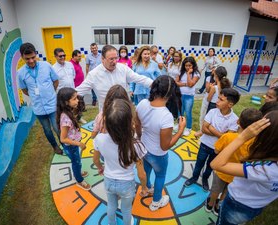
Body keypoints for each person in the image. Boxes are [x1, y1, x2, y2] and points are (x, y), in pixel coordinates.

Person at [211, 111, 278, 225]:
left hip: (237, 204)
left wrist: (242, 137)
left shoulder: (265, 169)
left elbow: (216, 164)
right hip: (255, 205)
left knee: (224, 221)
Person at [135, 75, 186, 211]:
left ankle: (147, 188)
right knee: (160, 176)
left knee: (146, 170)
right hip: (158, 154)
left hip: (144, 148)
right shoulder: (166, 116)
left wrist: (140, 138)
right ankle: (156, 201)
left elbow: (137, 123)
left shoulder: (142, 103)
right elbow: (165, 145)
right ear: (170, 93)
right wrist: (180, 130)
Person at [93, 99, 147, 225]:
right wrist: (144, 187)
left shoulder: (99, 139)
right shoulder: (136, 145)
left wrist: (100, 168)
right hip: (127, 184)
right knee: (126, 210)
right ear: (129, 122)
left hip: (109, 180)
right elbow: (142, 174)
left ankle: (112, 223)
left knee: (111, 206)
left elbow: (95, 160)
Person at [205, 108, 263, 216]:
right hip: (237, 174)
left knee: (215, 190)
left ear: (238, 122)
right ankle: (218, 206)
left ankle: (210, 204)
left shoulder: (227, 137)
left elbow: (216, 150)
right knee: (227, 191)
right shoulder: (255, 143)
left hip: (221, 172)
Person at [184, 88, 240, 191]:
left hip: (218, 149)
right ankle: (194, 177)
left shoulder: (234, 120)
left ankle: (205, 179)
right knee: (199, 163)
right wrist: (221, 134)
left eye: (221, 99)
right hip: (205, 145)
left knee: (210, 166)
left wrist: (211, 128)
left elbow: (227, 138)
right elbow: (204, 129)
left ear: (230, 104)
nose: (217, 101)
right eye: (218, 98)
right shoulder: (212, 111)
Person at [76, 45, 153, 111]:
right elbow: (79, 91)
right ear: (102, 59)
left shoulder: (123, 69)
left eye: (116, 58)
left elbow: (139, 78)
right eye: (111, 59)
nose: (115, 61)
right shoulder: (93, 75)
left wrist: (154, 84)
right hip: (106, 114)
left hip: (124, 112)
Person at [17, 42, 63, 155]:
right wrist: (36, 95)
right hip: (38, 108)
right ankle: (55, 147)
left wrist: (49, 92)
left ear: (36, 54)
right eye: (27, 59)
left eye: (33, 57)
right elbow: (24, 90)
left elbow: (55, 81)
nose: (31, 61)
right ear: (22, 57)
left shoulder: (46, 65)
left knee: (57, 128)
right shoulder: (20, 73)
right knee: (47, 130)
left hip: (52, 104)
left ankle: (64, 144)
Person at [56, 87, 91, 190]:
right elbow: (63, 139)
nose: (78, 100)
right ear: (66, 102)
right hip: (71, 146)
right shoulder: (65, 119)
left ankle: (78, 173)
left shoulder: (69, 111)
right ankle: (79, 180)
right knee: (76, 162)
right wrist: (79, 144)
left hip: (73, 144)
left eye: (77, 97)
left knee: (77, 161)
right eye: (74, 99)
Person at [175, 56, 201, 136]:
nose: (188, 67)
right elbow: (176, 82)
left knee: (188, 112)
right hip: (180, 95)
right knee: (180, 111)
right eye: (186, 65)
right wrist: (185, 84)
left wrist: (189, 74)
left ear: (193, 65)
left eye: (190, 65)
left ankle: (188, 128)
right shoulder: (181, 72)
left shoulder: (196, 74)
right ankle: (180, 125)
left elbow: (190, 84)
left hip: (189, 96)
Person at [194, 68, 216, 138]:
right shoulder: (209, 78)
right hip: (207, 101)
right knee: (203, 116)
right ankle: (201, 130)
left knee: (210, 119)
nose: (213, 70)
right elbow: (207, 90)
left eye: (215, 69)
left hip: (214, 103)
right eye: (213, 69)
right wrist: (211, 87)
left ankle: (205, 133)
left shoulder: (221, 82)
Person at [70, 49, 87, 124]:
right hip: (75, 89)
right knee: (75, 105)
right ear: (74, 56)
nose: (80, 58)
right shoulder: (71, 64)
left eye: (80, 56)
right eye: (79, 56)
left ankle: (79, 117)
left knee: (80, 104)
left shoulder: (77, 63)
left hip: (80, 88)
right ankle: (75, 119)